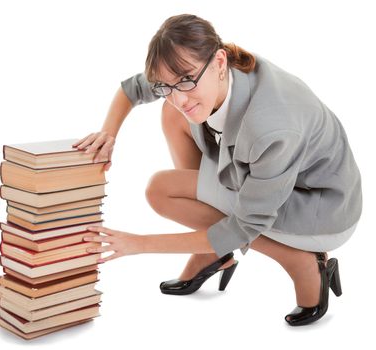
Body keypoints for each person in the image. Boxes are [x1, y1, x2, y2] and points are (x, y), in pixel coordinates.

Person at [73, 14, 362, 326]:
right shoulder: (197, 72)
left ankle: (299, 262)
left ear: (220, 62)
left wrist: (139, 244)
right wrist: (109, 133)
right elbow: (132, 89)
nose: (178, 97)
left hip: (320, 208)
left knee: (161, 191)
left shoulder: (270, 128)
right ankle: (212, 250)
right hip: (268, 182)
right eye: (166, 86)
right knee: (174, 116)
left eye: (185, 81)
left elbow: (243, 228)